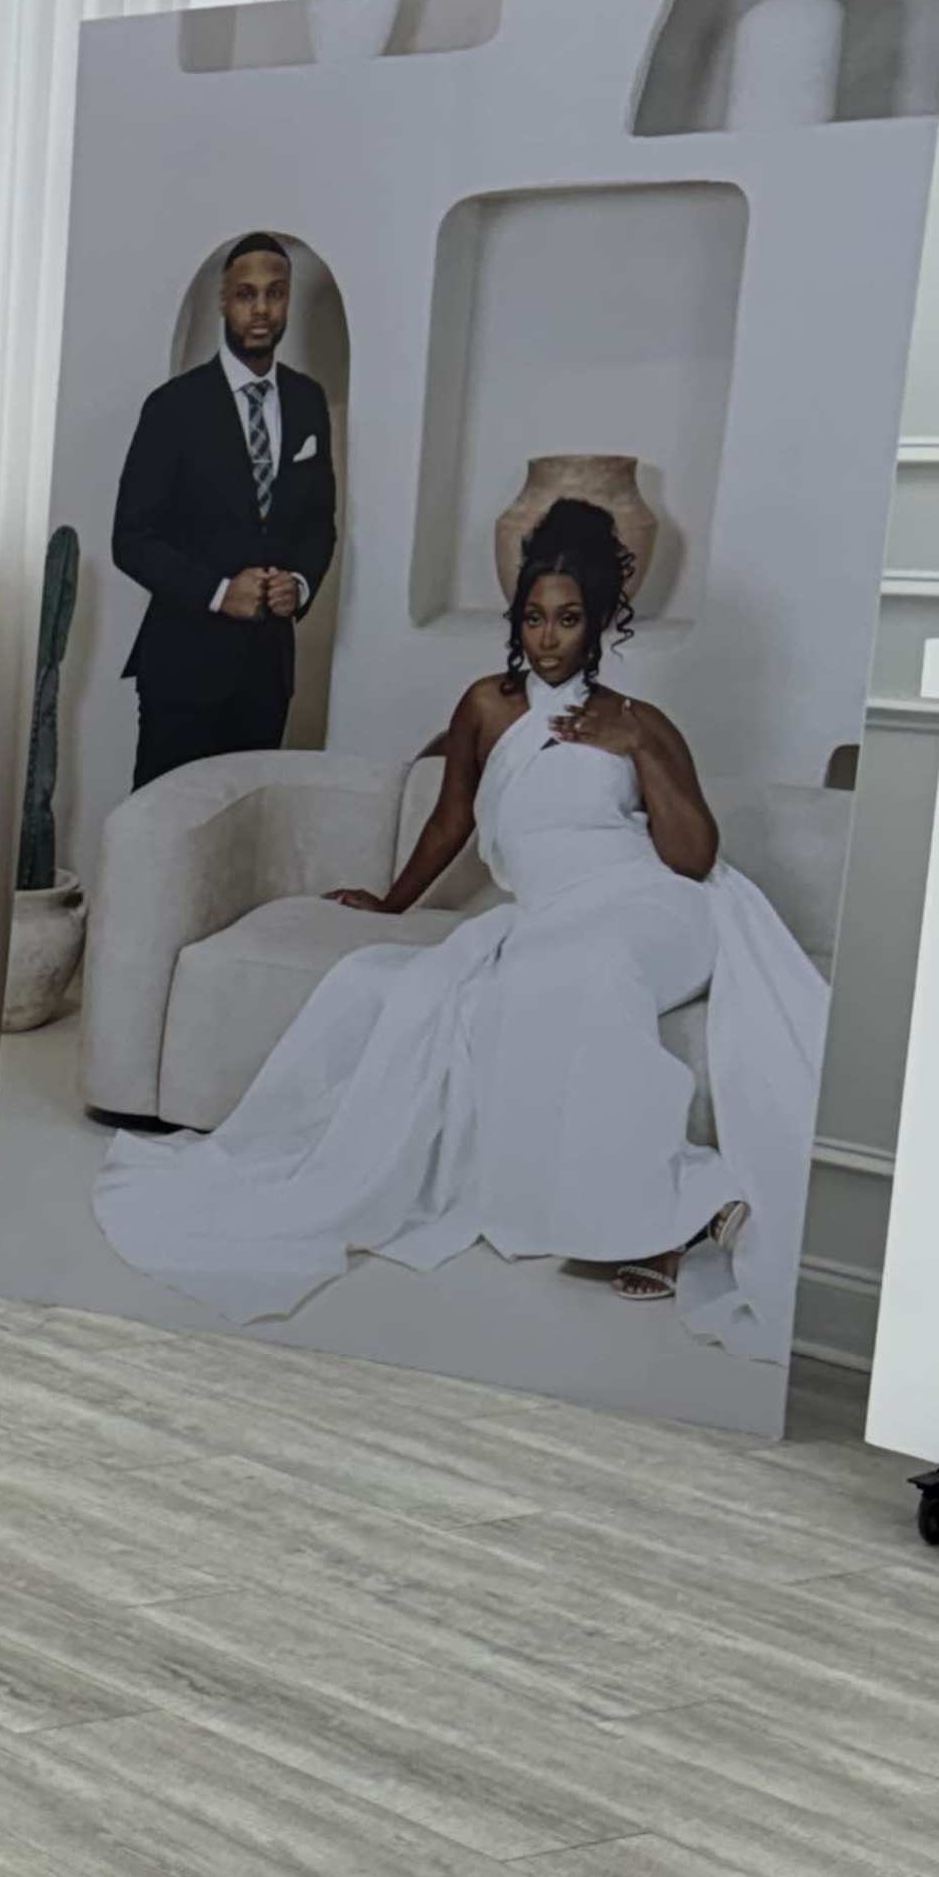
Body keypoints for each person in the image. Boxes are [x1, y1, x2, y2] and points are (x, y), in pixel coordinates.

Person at [88, 496, 824, 1358]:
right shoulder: (485, 707)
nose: (550, 638)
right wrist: (392, 903)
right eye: (536, 618)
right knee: (420, 985)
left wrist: (644, 748)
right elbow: (450, 821)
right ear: (519, 621)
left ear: (598, 627)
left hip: (655, 905)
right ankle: (688, 1202)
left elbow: (693, 858)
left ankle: (663, 1216)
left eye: (570, 620)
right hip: (553, 915)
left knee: (589, 974)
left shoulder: (639, 721)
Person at [112, 236, 337, 789]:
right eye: (245, 294)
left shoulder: (309, 402)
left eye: (275, 294)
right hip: (181, 669)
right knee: (164, 836)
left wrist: (301, 584)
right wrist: (217, 591)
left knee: (245, 840)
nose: (261, 310)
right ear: (223, 302)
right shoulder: (174, 407)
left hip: (268, 674)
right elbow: (131, 538)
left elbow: (319, 525)